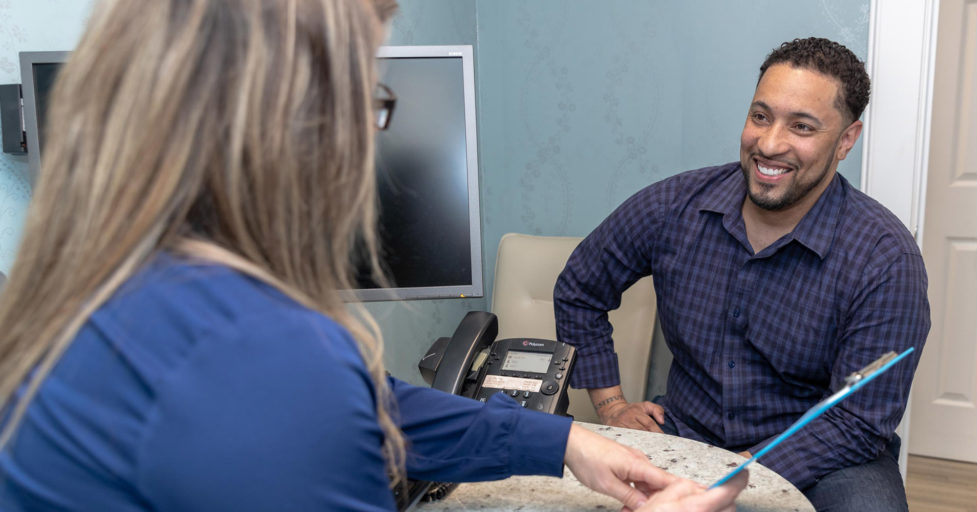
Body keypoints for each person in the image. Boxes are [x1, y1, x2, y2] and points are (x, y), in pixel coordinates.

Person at [0, 0, 749, 511]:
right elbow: (308, 402)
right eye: (369, 95)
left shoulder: (94, 286)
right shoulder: (256, 352)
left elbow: (375, 407)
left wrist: (563, 441)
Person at [554, 37, 930, 512]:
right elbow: (580, 287)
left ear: (846, 140)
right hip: (686, 432)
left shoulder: (885, 259)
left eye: (802, 126)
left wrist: (733, 477)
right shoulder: (676, 205)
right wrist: (610, 404)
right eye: (760, 116)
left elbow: (857, 421)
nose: (770, 143)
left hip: (827, 457)